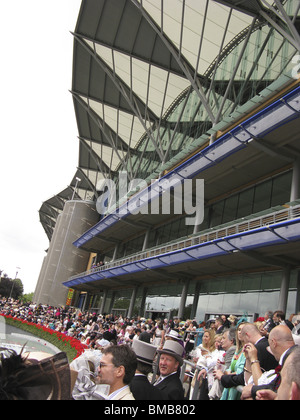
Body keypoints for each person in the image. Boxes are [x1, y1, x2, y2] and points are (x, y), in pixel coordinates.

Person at [241, 324, 296, 400]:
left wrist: (254, 359)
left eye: (269, 345)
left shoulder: (292, 359)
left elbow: (272, 385)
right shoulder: (292, 355)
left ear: (273, 343)